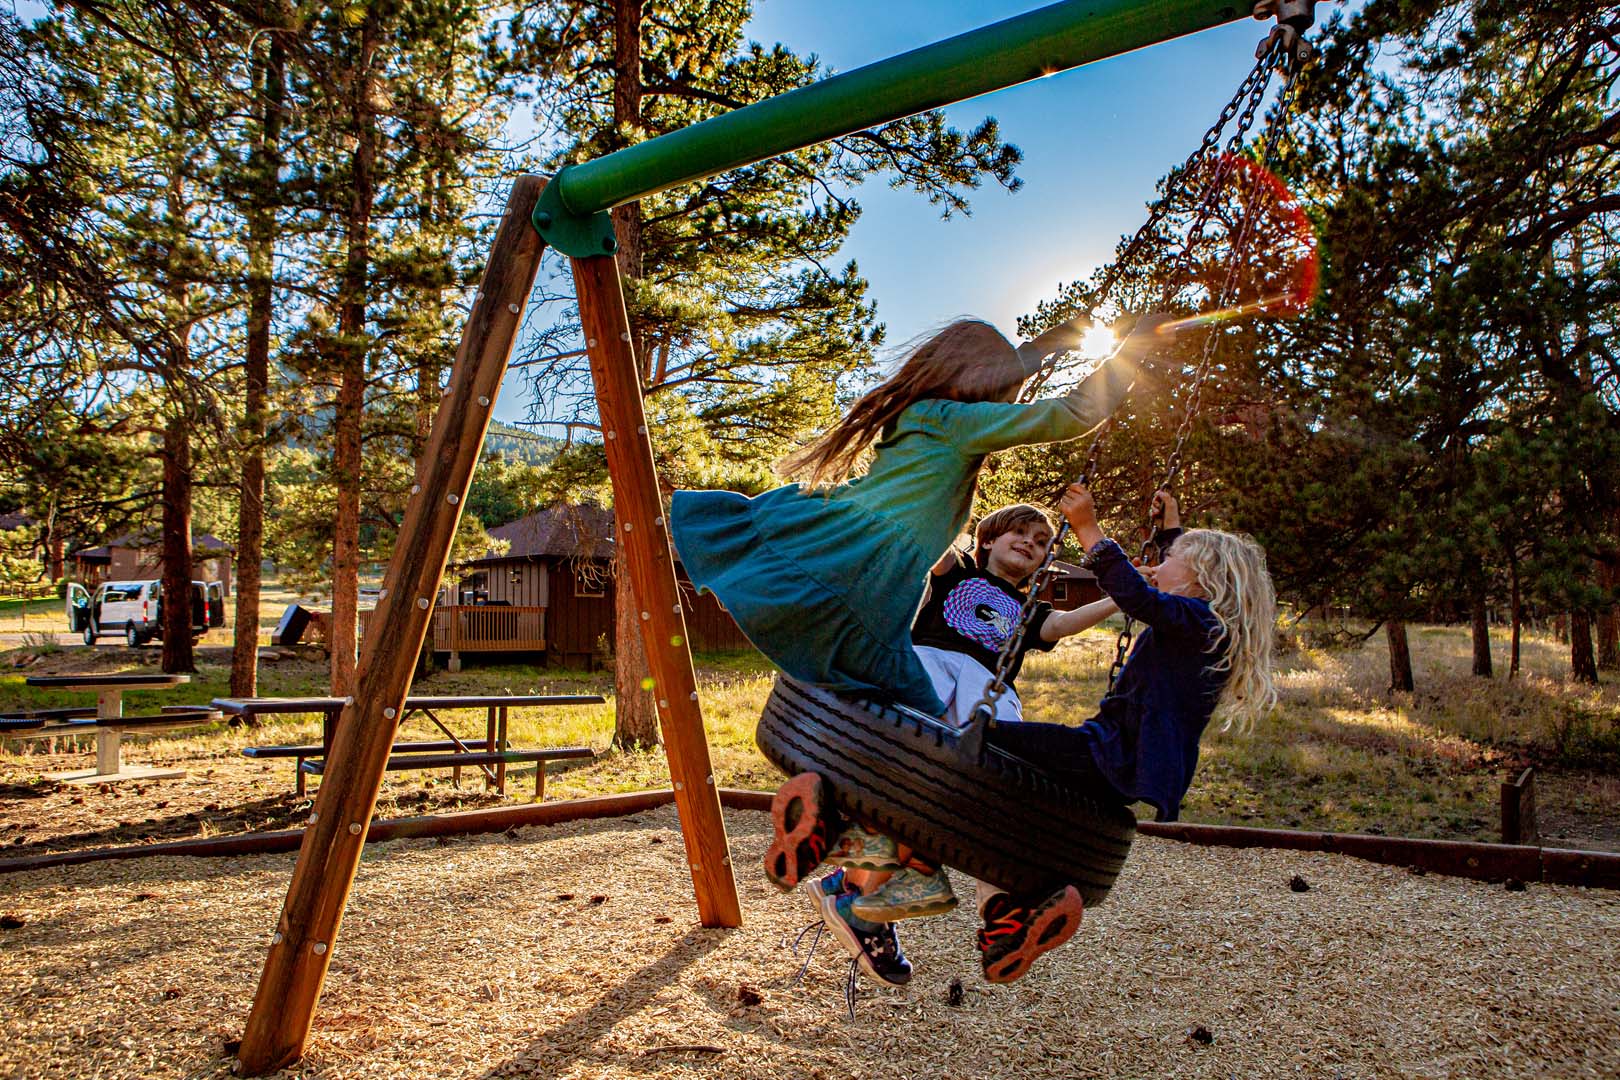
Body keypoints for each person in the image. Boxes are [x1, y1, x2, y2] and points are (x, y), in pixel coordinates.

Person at [963, 481, 1277, 983]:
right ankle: (1016, 917)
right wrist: (1171, 521)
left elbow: (1133, 594)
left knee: (977, 740)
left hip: (1106, 755)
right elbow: (1166, 574)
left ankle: (1002, 896)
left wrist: (1088, 527)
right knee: (1015, 785)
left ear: (1200, 577)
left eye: (1177, 557)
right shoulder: (1205, 621)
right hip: (1113, 759)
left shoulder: (1197, 619)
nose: (1163, 561)